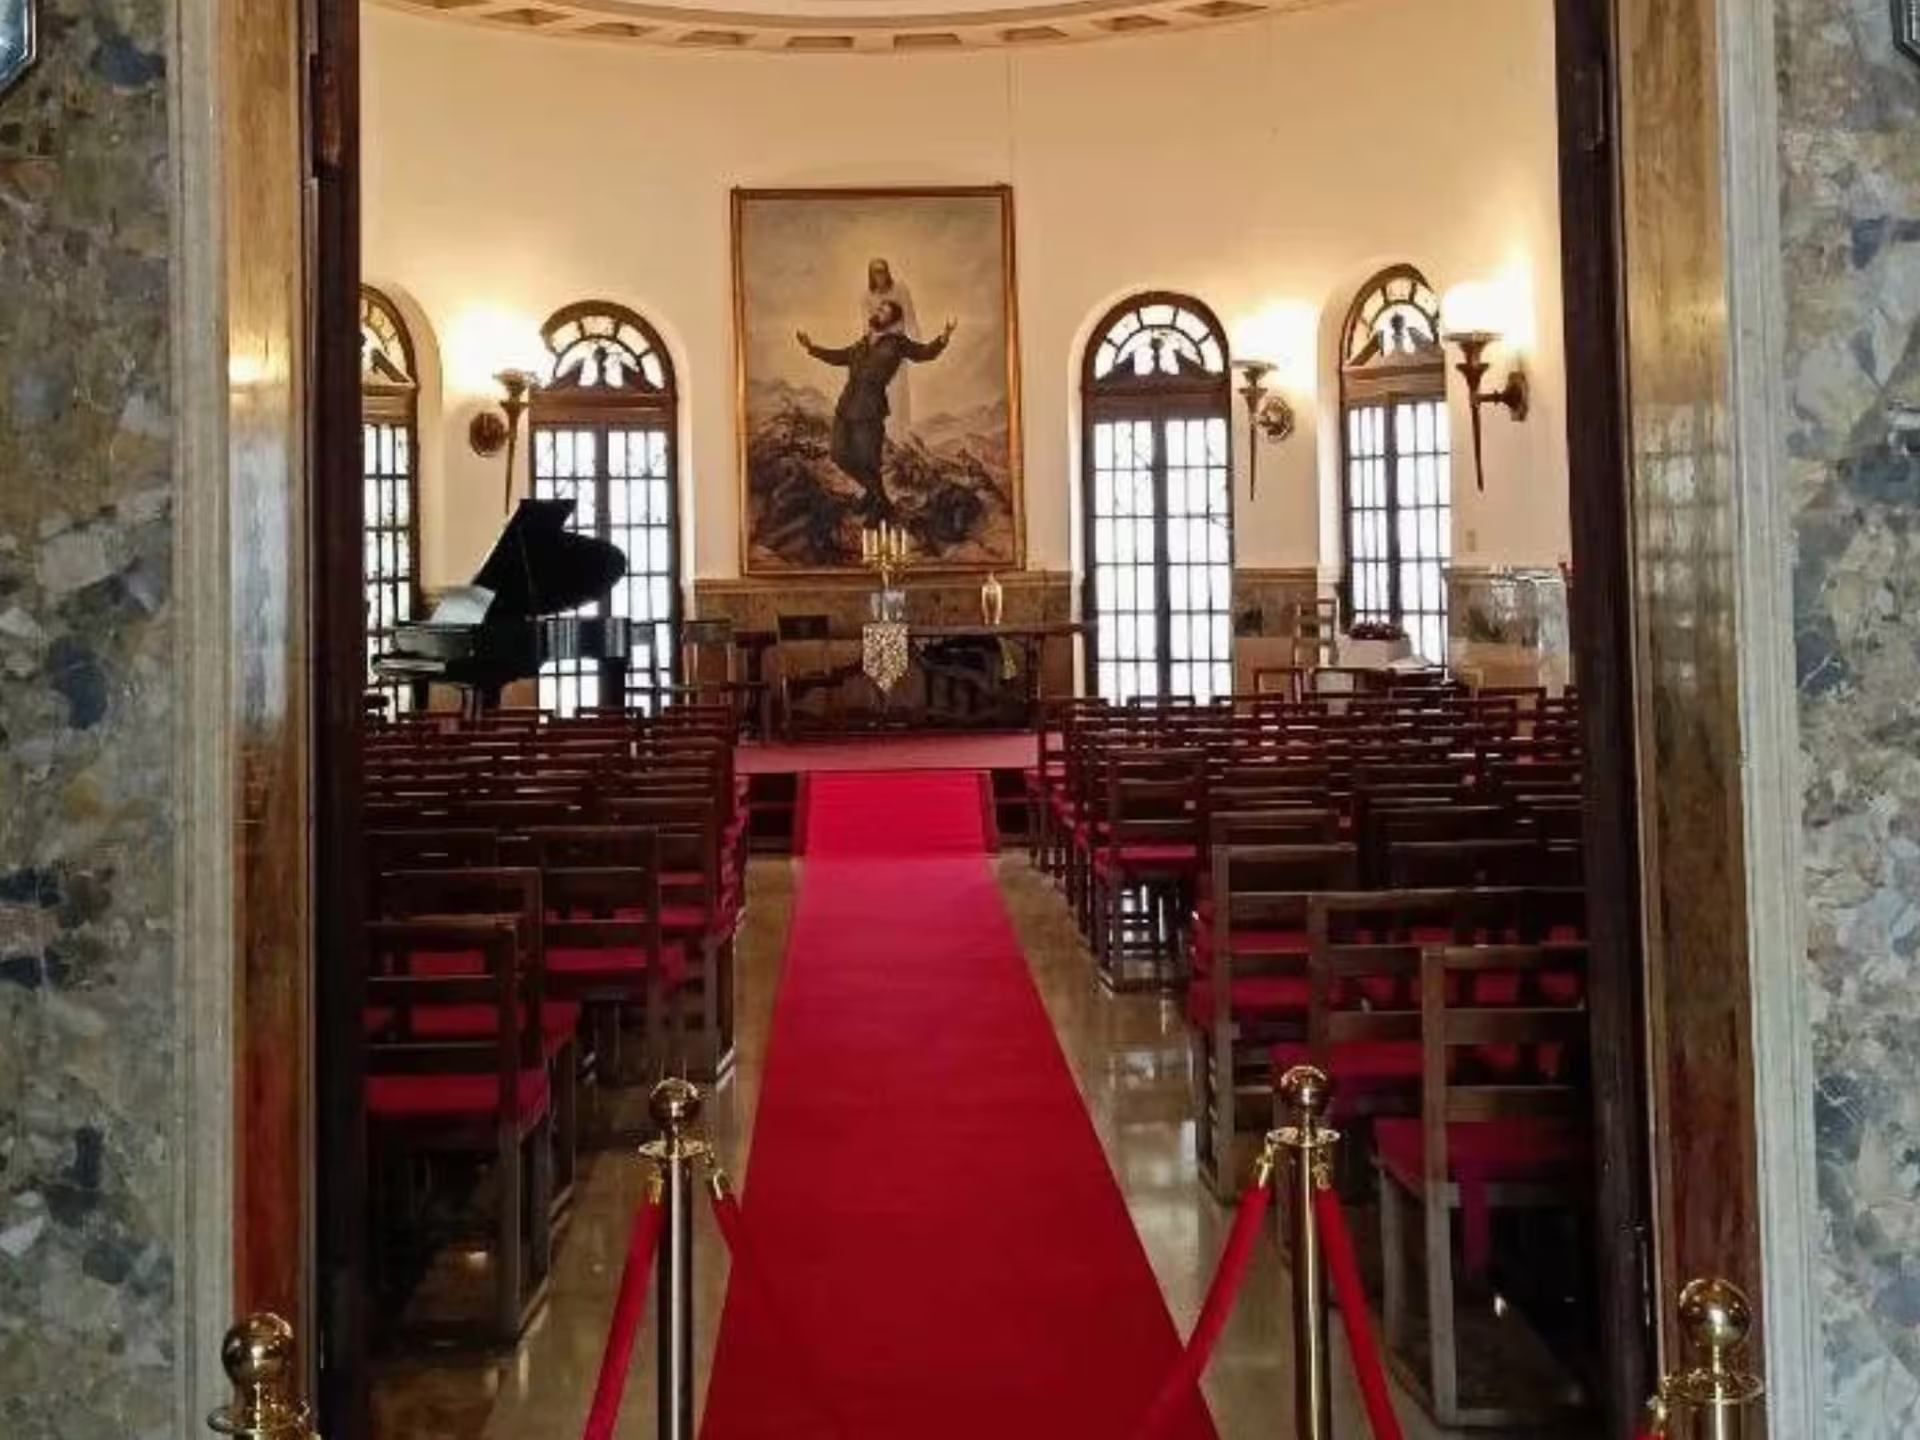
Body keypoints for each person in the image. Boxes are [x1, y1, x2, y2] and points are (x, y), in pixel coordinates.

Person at [797, 301, 957, 517]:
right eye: (878, 309)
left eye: (883, 311)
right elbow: (839, 357)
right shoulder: (861, 344)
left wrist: (943, 337)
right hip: (846, 407)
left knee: (868, 460)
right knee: (839, 454)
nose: (877, 312)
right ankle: (877, 496)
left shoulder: (897, 343)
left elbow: (924, 353)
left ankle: (877, 504)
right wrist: (811, 348)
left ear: (892, 320)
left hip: (870, 409)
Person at [859, 259, 920, 438]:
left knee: (899, 390)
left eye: (883, 271)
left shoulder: (900, 288)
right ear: (870, 275)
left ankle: (901, 435)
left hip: (897, 347)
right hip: (878, 348)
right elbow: (867, 325)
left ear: (888, 272)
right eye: (876, 272)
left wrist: (915, 343)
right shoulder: (865, 296)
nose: (880, 275)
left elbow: (910, 317)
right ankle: (882, 436)